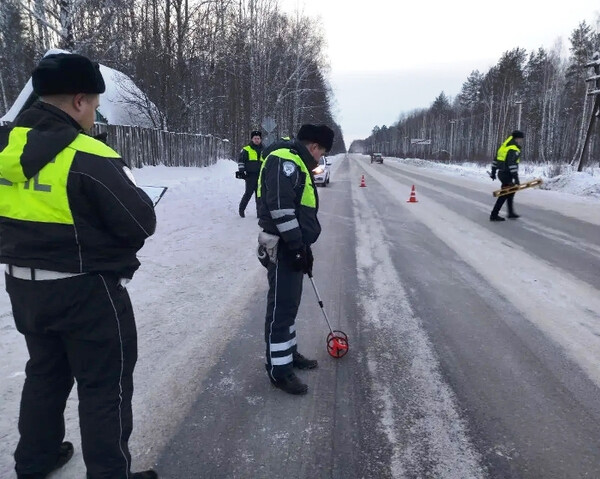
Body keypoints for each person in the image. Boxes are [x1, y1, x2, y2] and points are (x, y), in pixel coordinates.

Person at [0, 53, 158, 479]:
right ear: (79, 101)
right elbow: (139, 222)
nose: (93, 115)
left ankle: (34, 463)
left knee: (44, 375)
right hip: (86, 292)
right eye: (94, 105)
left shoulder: (6, 148)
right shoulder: (87, 153)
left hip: (24, 287)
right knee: (104, 387)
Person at [256, 124, 334, 395]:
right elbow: (281, 209)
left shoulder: (296, 160)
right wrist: (296, 246)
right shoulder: (284, 161)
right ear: (314, 146)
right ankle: (279, 371)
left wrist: (303, 246)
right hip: (283, 247)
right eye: (321, 153)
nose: (320, 158)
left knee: (289, 306)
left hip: (293, 245)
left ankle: (288, 354)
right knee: (280, 308)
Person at [490, 130, 524, 221]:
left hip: (502, 173)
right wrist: (516, 178)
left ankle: (510, 213)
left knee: (511, 192)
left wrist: (493, 172)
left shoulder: (504, 147)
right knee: (504, 194)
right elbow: (512, 164)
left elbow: (495, 161)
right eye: (521, 138)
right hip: (507, 174)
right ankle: (494, 215)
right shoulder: (513, 148)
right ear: (517, 138)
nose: (521, 140)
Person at [237, 130, 264, 217]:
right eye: (255, 138)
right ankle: (241, 210)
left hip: (261, 175)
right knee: (248, 194)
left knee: (259, 195)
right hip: (250, 175)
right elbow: (241, 161)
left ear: (260, 139)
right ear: (252, 139)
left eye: (258, 138)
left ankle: (260, 213)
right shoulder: (246, 149)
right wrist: (241, 172)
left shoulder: (265, 149)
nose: (257, 140)